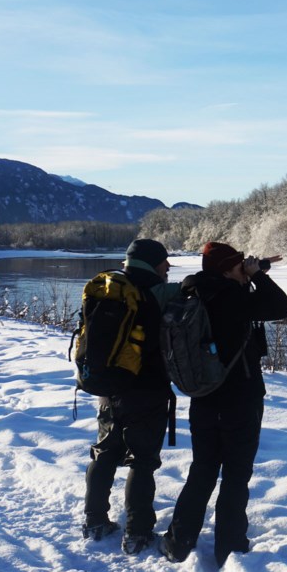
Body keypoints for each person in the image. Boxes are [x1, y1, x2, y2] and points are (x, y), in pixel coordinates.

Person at [160, 242, 287, 566]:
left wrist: (247, 272)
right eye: (237, 266)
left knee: (202, 470)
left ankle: (179, 542)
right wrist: (258, 276)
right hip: (241, 401)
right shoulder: (235, 298)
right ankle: (230, 549)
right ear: (226, 270)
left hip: (203, 399)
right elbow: (280, 307)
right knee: (235, 475)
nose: (243, 269)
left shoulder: (193, 293)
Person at [82, 238, 177, 555]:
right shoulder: (156, 291)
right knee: (143, 460)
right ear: (153, 263)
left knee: (105, 451)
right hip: (147, 389)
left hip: (109, 387)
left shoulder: (111, 285)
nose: (168, 269)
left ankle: (94, 521)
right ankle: (137, 533)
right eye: (165, 263)